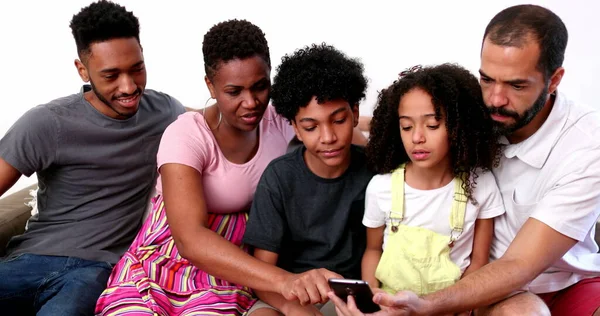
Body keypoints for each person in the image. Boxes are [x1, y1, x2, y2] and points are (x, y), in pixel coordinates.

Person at [330, 4, 600, 316]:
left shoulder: (586, 147)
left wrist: (426, 306)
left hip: (559, 282)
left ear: (554, 80)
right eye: (487, 79)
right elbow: (415, 117)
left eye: (516, 85)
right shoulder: (476, 113)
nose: (496, 98)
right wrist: (347, 123)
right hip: (483, 291)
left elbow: (520, 265)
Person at [95, 21, 367, 316]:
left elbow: (340, 128)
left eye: (260, 86)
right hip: (175, 257)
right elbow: (189, 238)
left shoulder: (286, 119)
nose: (251, 102)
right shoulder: (186, 134)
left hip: (241, 264)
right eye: (234, 91)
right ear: (210, 86)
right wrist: (285, 281)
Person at [0, 1, 186, 314]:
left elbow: (216, 119)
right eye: (111, 75)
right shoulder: (48, 123)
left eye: (136, 69)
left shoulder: (164, 112)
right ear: (82, 69)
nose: (128, 87)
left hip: (93, 271)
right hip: (29, 261)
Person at [242, 43, 373, 316]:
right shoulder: (279, 178)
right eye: (311, 127)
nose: (327, 137)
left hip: (349, 299)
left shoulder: (374, 173)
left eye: (338, 120)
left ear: (355, 114)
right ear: (296, 128)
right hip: (287, 296)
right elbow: (263, 277)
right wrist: (293, 308)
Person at [360, 63, 504, 301]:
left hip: (452, 306)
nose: (417, 137)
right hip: (391, 305)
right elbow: (373, 250)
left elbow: (479, 261)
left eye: (432, 125)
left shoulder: (480, 184)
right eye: (406, 126)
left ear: (459, 127)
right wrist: (371, 297)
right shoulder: (381, 188)